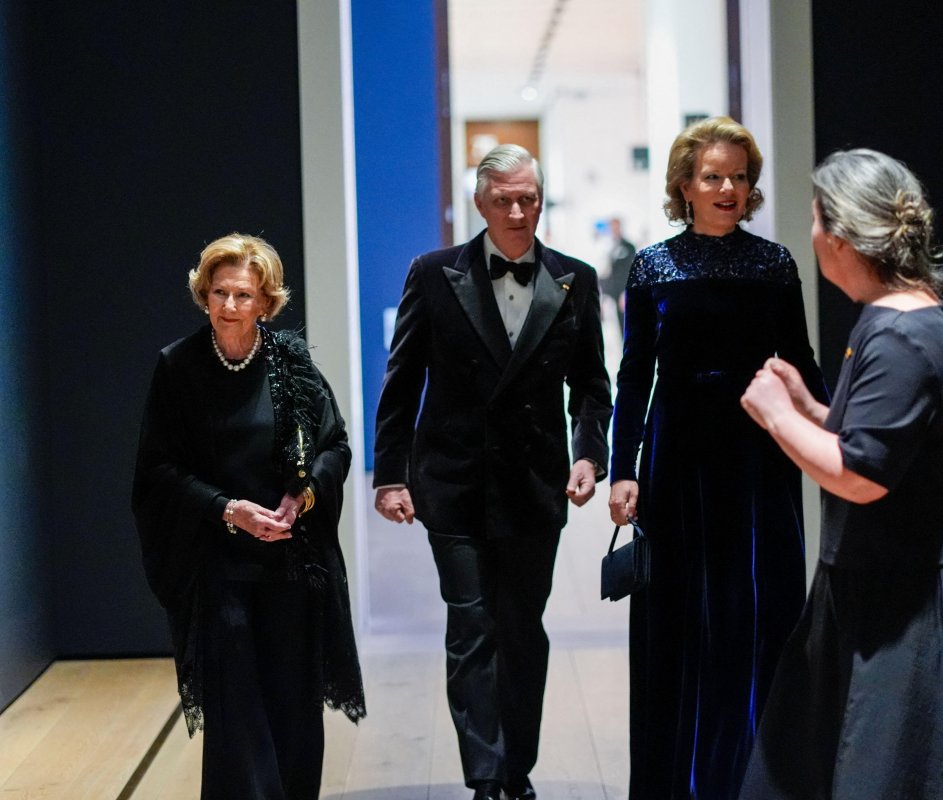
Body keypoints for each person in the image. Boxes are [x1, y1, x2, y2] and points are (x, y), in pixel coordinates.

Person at [738, 149, 943, 800]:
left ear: (838, 237)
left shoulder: (900, 332)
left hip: (904, 601)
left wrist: (781, 417)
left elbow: (862, 476)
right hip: (880, 581)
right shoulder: (898, 317)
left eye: (813, 218)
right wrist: (813, 409)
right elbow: (885, 437)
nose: (810, 235)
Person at [373, 144, 612, 800]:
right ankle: (485, 780)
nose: (516, 210)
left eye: (528, 199)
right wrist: (388, 474)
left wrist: (591, 455)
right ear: (479, 203)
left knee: (521, 628)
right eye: (503, 199)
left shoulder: (575, 278)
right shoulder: (433, 273)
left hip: (536, 487)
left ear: (541, 200)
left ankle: (517, 770)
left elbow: (592, 386)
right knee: (472, 625)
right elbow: (402, 381)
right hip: (453, 482)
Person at [607, 116, 826, 800]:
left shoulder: (774, 264)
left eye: (738, 176)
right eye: (713, 177)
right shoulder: (652, 266)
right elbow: (633, 376)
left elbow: (802, 363)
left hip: (762, 458)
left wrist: (839, 433)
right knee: (682, 626)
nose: (728, 188)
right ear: (685, 186)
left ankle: (762, 781)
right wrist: (622, 468)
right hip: (678, 464)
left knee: (760, 615)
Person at [132, 233, 365, 799]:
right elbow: (157, 470)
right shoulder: (178, 367)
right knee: (237, 715)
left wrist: (301, 496)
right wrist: (227, 509)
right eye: (219, 293)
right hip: (219, 564)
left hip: (291, 562)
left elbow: (335, 445)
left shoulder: (291, 360)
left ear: (266, 301)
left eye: (243, 294)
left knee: (293, 706)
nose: (229, 306)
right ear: (202, 294)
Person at [601, 216, 636, 335]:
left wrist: (625, 292)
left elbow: (630, 270)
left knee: (625, 323)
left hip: (622, 291)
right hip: (610, 291)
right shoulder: (609, 247)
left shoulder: (628, 247)